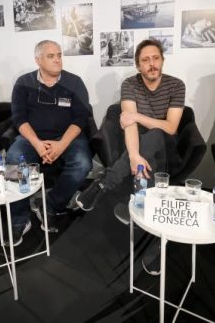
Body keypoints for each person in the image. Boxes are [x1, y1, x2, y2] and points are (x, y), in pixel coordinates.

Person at [76, 39, 185, 273]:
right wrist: (135, 156)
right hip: (138, 146)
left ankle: (104, 184)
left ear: (162, 60)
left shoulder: (176, 85)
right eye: (145, 60)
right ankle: (154, 243)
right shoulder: (130, 85)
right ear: (138, 66)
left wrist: (137, 118)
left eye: (155, 58)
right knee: (147, 155)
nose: (151, 64)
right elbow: (129, 125)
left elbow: (171, 128)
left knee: (155, 134)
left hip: (167, 148)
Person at [7, 40, 92, 245]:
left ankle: (51, 204)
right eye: (51, 56)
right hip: (32, 137)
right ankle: (20, 218)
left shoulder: (74, 82)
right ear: (38, 60)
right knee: (13, 161)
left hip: (67, 137)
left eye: (59, 55)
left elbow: (81, 118)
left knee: (82, 164)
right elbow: (19, 117)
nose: (57, 59)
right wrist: (36, 143)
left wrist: (62, 144)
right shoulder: (23, 82)